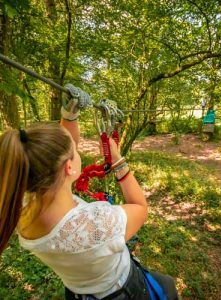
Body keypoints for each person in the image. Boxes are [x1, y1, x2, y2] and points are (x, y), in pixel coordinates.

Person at [0, 86, 178, 300]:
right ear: (69, 168)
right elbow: (140, 208)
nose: (77, 147)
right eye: (75, 151)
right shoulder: (96, 225)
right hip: (124, 290)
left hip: (78, 292)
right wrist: (118, 161)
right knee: (167, 286)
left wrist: (70, 115)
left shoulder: (21, 204)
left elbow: (64, 145)